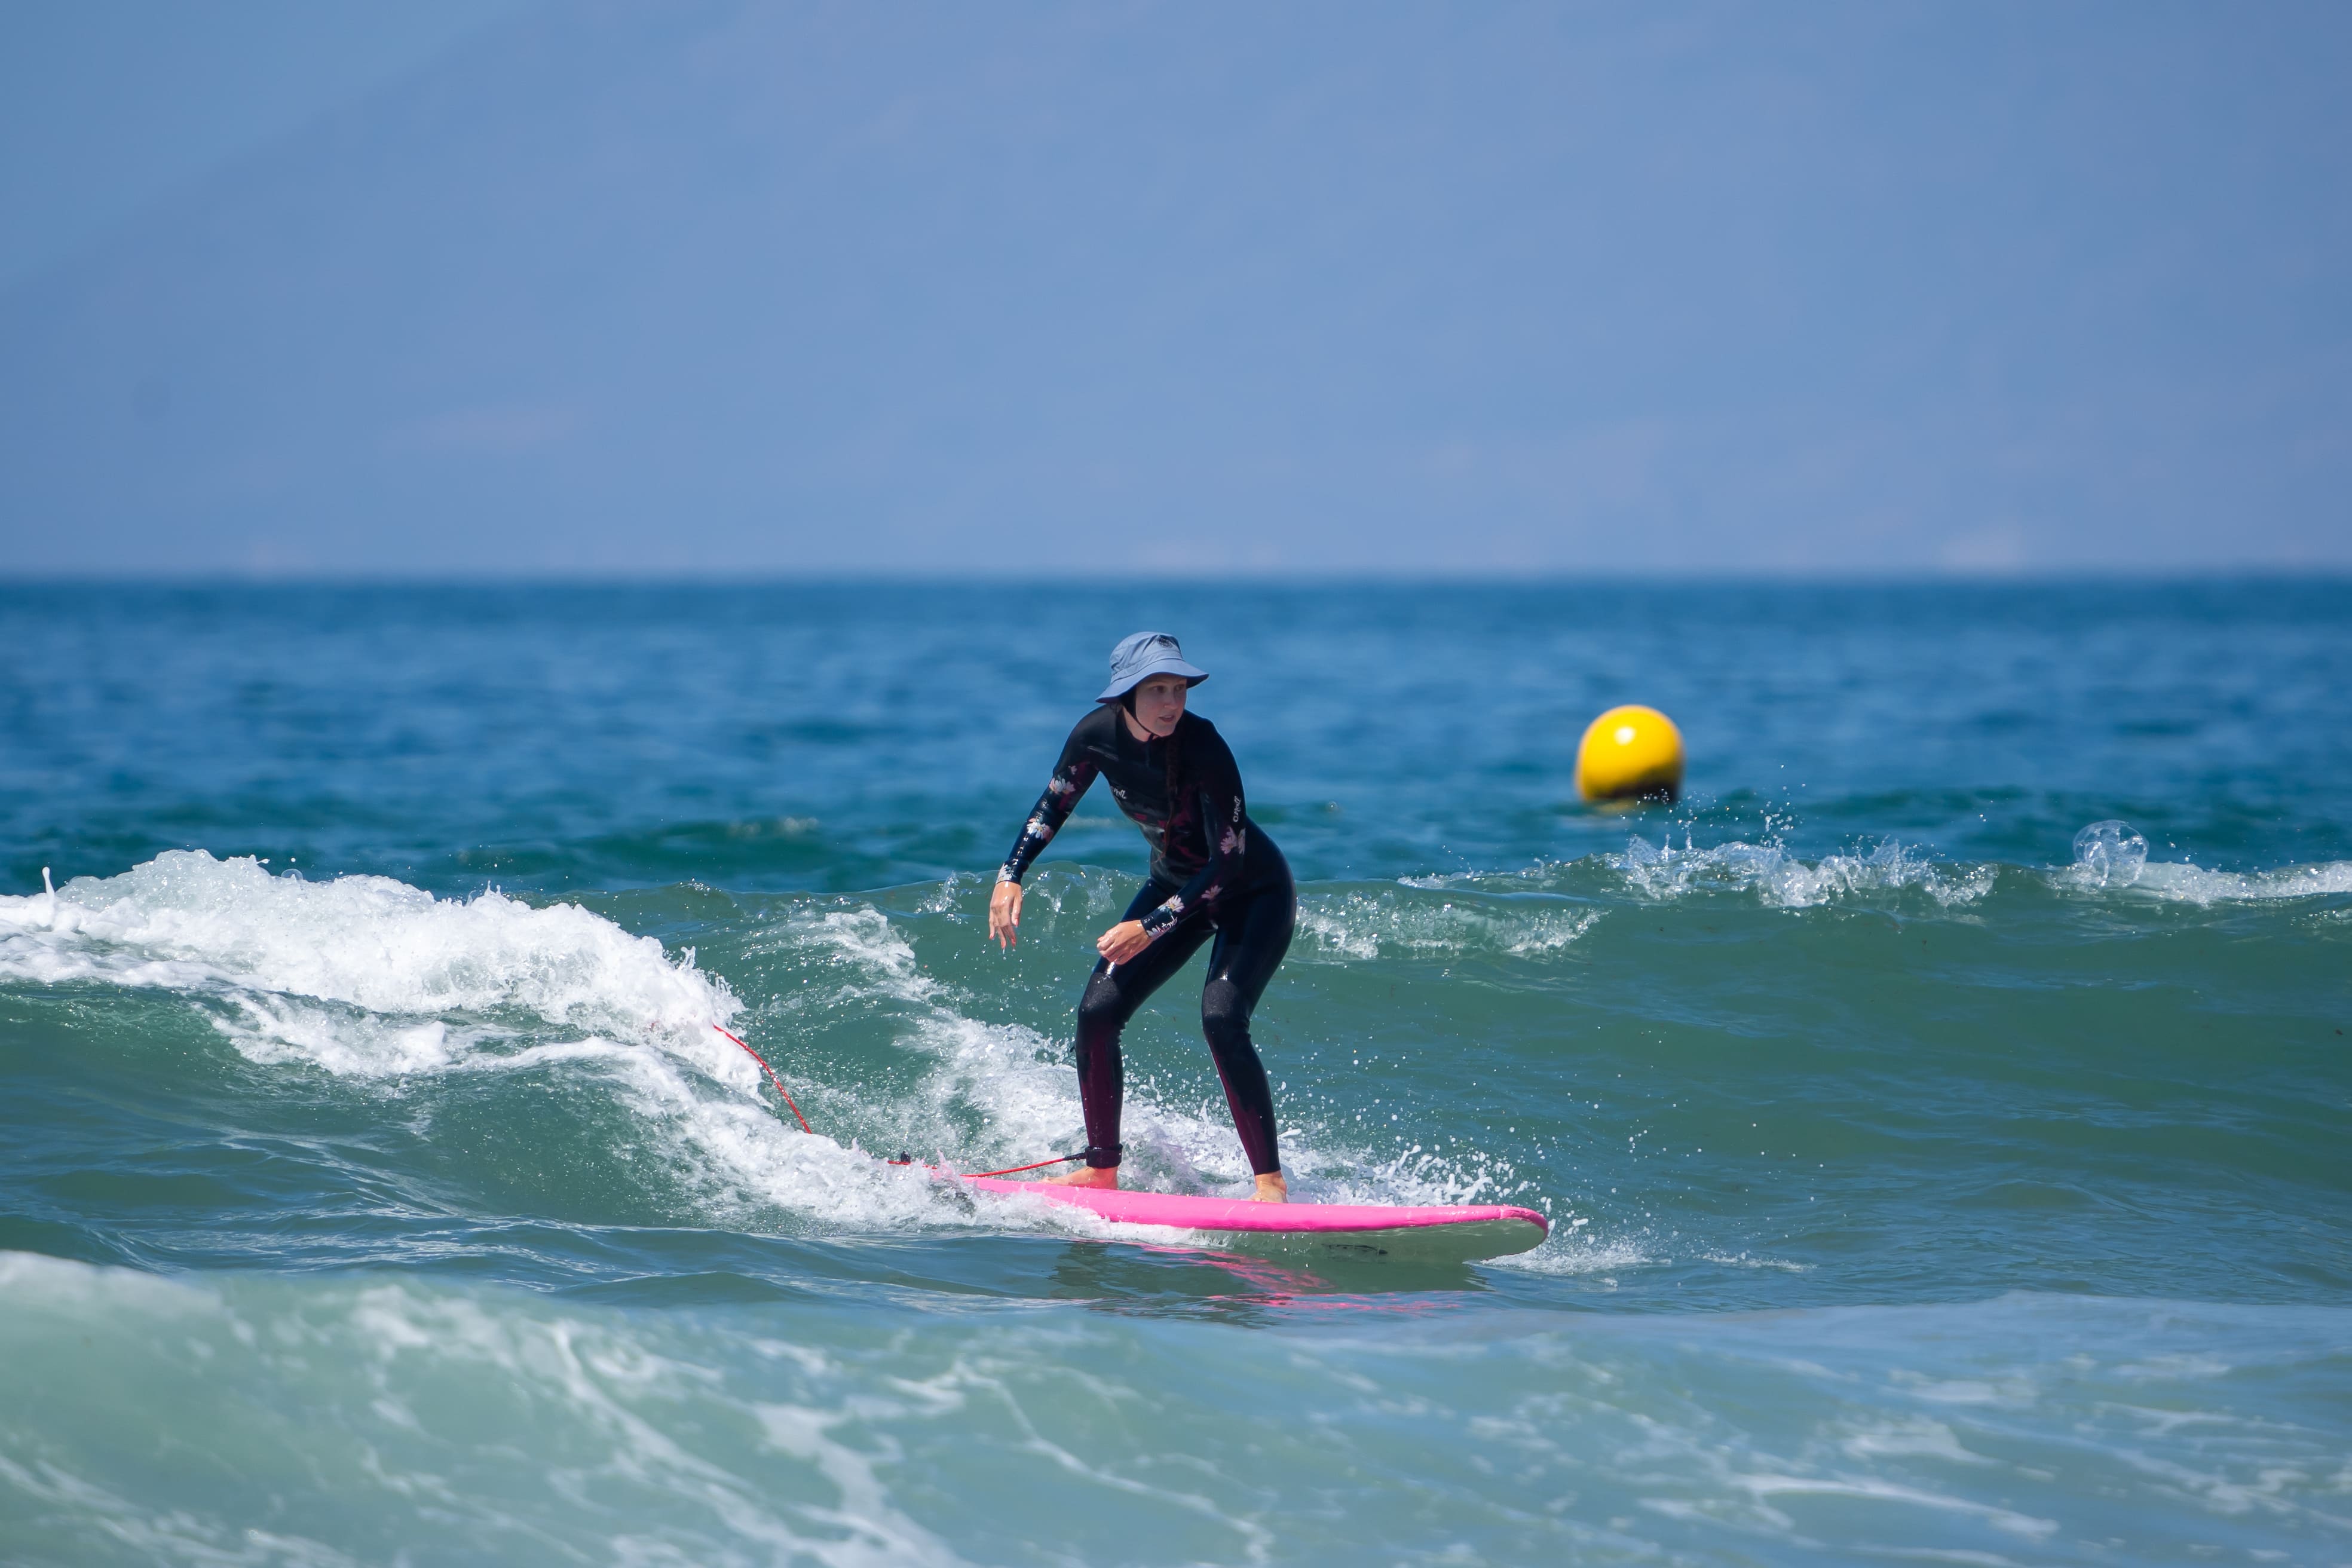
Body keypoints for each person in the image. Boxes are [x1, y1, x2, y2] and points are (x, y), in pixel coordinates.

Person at [988, 632, 1297, 1202]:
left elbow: (1228, 864)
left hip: (1252, 892)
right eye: (1157, 689)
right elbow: (1055, 802)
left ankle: (1270, 1184)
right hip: (1177, 885)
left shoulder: (1205, 747)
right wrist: (1012, 873)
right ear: (1124, 695)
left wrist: (1150, 925)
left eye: (1178, 688)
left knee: (1221, 1017)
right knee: (1098, 1012)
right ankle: (1101, 1168)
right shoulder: (1095, 737)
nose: (1171, 703)